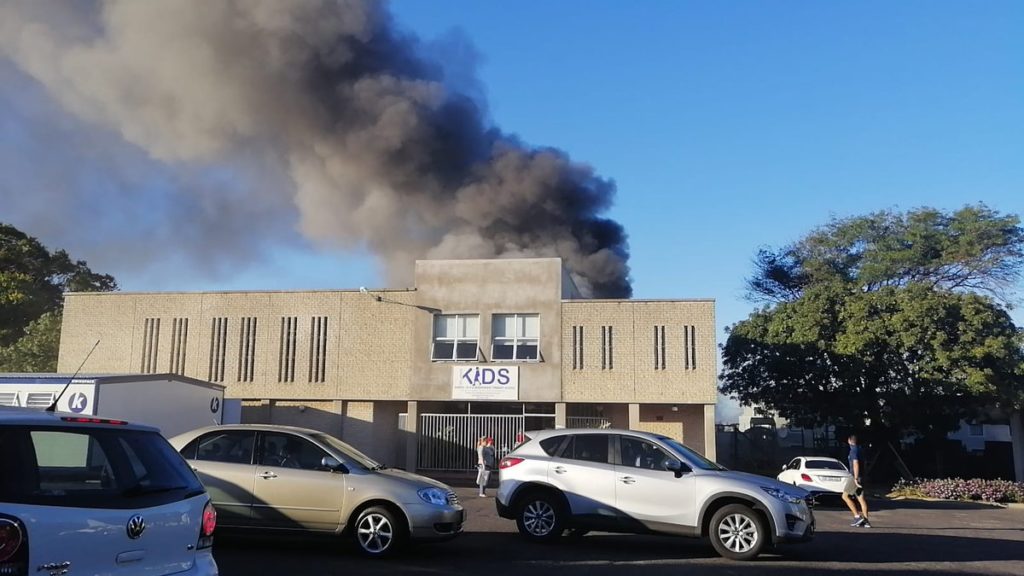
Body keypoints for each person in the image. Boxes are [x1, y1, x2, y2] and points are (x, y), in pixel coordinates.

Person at [841, 434, 871, 528]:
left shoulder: (853, 450)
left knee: (845, 496)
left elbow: (855, 463)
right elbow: (865, 463)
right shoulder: (860, 449)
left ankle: (857, 516)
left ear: (849, 441)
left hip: (855, 476)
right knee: (861, 499)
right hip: (861, 476)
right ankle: (866, 521)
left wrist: (856, 478)